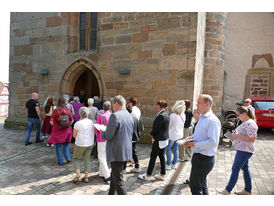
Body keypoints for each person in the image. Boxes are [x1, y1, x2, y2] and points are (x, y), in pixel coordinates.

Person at [183, 94, 221, 195]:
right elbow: (199, 135)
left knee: (195, 186)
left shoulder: (212, 121)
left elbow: (213, 142)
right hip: (199, 157)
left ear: (207, 104)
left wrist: (194, 144)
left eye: (199, 103)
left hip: (204, 159)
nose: (197, 105)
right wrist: (190, 138)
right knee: (202, 184)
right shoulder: (203, 118)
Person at [216, 106, 258, 195]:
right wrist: (235, 135)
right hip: (243, 149)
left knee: (235, 169)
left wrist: (237, 136)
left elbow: (252, 139)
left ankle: (228, 190)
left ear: (244, 114)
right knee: (245, 169)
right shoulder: (246, 122)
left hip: (245, 151)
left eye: (238, 115)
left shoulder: (250, 124)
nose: (237, 117)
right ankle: (247, 190)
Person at [101, 95, 134, 195]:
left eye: (113, 104)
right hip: (125, 150)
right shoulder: (129, 115)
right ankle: (111, 194)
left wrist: (102, 131)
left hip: (117, 151)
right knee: (115, 174)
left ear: (116, 104)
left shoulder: (115, 116)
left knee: (119, 180)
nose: (112, 106)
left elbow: (109, 135)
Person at [139, 100, 170, 181]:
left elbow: (156, 128)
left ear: (161, 106)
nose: (157, 107)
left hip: (159, 139)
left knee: (153, 157)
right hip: (163, 139)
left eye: (158, 105)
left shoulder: (162, 115)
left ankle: (148, 175)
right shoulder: (166, 113)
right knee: (162, 157)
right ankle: (162, 174)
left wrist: (152, 134)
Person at [72, 107, 95, 183]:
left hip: (80, 143)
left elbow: (74, 135)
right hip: (89, 143)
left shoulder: (78, 123)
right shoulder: (91, 122)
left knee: (76, 158)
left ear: (80, 114)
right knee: (87, 159)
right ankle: (86, 177)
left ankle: (78, 176)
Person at [50, 97, 73, 166]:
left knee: (58, 146)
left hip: (58, 130)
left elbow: (51, 122)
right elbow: (72, 120)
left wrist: (56, 125)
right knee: (65, 145)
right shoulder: (68, 110)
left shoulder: (56, 111)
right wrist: (67, 125)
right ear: (65, 102)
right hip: (66, 130)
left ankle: (60, 161)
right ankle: (68, 158)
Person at [94, 101, 112, 183]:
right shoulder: (112, 116)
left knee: (101, 156)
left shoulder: (101, 116)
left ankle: (107, 176)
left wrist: (97, 134)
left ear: (103, 107)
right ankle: (101, 173)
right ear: (110, 107)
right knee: (104, 155)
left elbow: (96, 128)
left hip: (101, 138)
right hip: (110, 138)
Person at [166, 100, 186, 170]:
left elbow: (169, 126)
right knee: (175, 149)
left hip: (172, 135)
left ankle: (168, 164)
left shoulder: (172, 115)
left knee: (168, 149)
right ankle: (174, 164)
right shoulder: (183, 115)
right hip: (179, 135)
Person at [124, 105, 143, 173]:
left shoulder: (126, 119)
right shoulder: (135, 118)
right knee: (134, 152)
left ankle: (123, 168)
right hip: (135, 138)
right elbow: (138, 129)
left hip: (128, 138)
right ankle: (137, 166)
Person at [183, 109, 200, 185]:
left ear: (198, 114)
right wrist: (190, 138)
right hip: (196, 148)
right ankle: (192, 179)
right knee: (194, 165)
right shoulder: (197, 122)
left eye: (194, 113)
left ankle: (194, 180)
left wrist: (193, 142)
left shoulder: (200, 123)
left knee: (197, 166)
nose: (193, 114)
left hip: (199, 148)